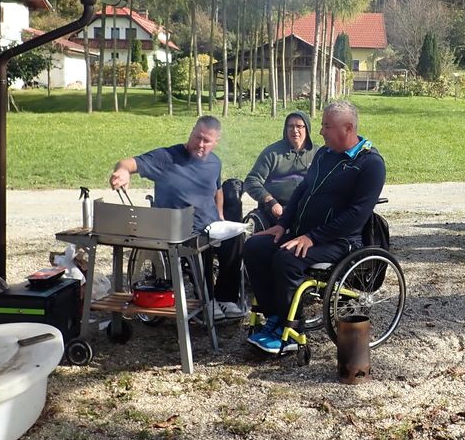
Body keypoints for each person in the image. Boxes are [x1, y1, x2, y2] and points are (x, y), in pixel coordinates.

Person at [243, 100, 386, 355]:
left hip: (340, 241)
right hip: (305, 234)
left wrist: (312, 237)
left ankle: (291, 331)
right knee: (255, 247)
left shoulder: (370, 164)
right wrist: (282, 225)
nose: (320, 132)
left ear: (348, 128)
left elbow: (357, 216)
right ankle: (274, 317)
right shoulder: (324, 154)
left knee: (287, 258)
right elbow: (302, 190)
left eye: (327, 126)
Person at [108, 115, 243, 318]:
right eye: (197, 137)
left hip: (211, 224)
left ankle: (226, 297)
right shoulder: (166, 158)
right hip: (180, 227)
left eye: (207, 141)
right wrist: (122, 171)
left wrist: (221, 214)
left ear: (216, 142)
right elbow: (128, 163)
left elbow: (217, 189)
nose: (200, 144)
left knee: (236, 238)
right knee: (201, 244)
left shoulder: (215, 162)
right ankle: (206, 301)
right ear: (192, 132)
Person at [242, 111, 315, 229]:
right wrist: (270, 201)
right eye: (291, 126)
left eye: (299, 126)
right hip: (275, 211)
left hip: (307, 211)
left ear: (307, 128)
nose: (295, 130)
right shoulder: (272, 153)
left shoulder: (317, 154)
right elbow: (251, 181)